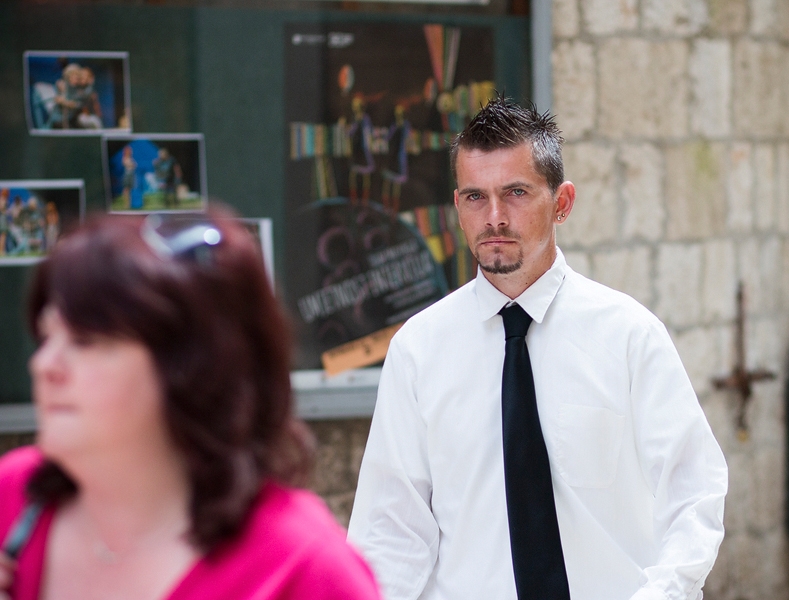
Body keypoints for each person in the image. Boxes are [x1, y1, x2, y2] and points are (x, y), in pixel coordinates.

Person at [347, 98, 728, 600]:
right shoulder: (418, 351)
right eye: (475, 197)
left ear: (562, 203)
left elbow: (694, 493)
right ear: (457, 206)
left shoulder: (630, 337)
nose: (495, 217)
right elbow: (389, 531)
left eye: (516, 193)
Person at [0, 209, 382, 600]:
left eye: (85, 342)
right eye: (46, 338)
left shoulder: (304, 569)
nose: (44, 365)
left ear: (190, 368)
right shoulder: (13, 496)